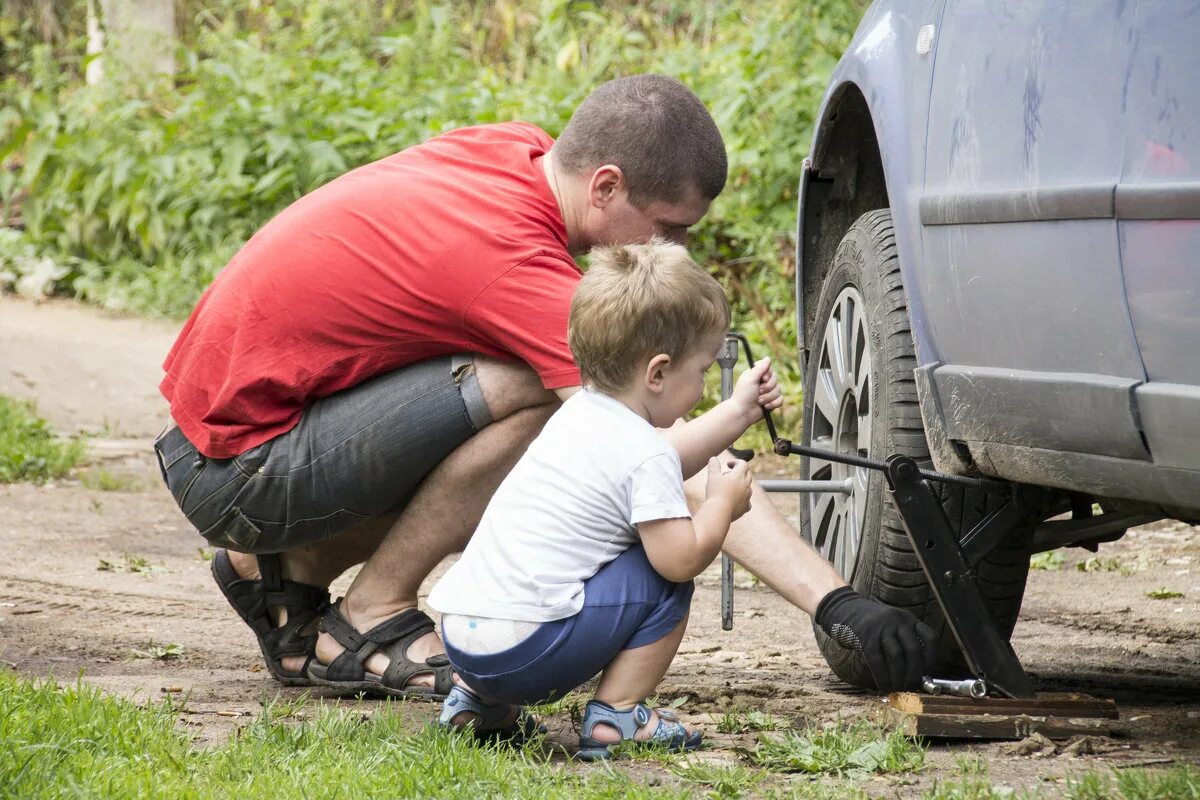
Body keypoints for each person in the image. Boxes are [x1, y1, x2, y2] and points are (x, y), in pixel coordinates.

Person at [152, 73, 934, 701]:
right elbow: (665, 464)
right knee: (551, 399)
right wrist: (837, 602)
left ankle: (290, 569)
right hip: (239, 469)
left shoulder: (518, 153)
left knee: (540, 407)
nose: (678, 250)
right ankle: (371, 612)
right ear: (604, 185)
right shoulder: (518, 271)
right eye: (667, 228)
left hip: (229, 434)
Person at [429, 240, 772, 758]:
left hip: (464, 640)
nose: (703, 387)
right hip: (526, 654)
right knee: (663, 577)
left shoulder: (580, 415)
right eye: (701, 371)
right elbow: (680, 559)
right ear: (656, 373)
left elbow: (660, 458)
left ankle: (477, 704)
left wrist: (739, 411)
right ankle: (617, 715)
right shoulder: (641, 455)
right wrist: (721, 504)